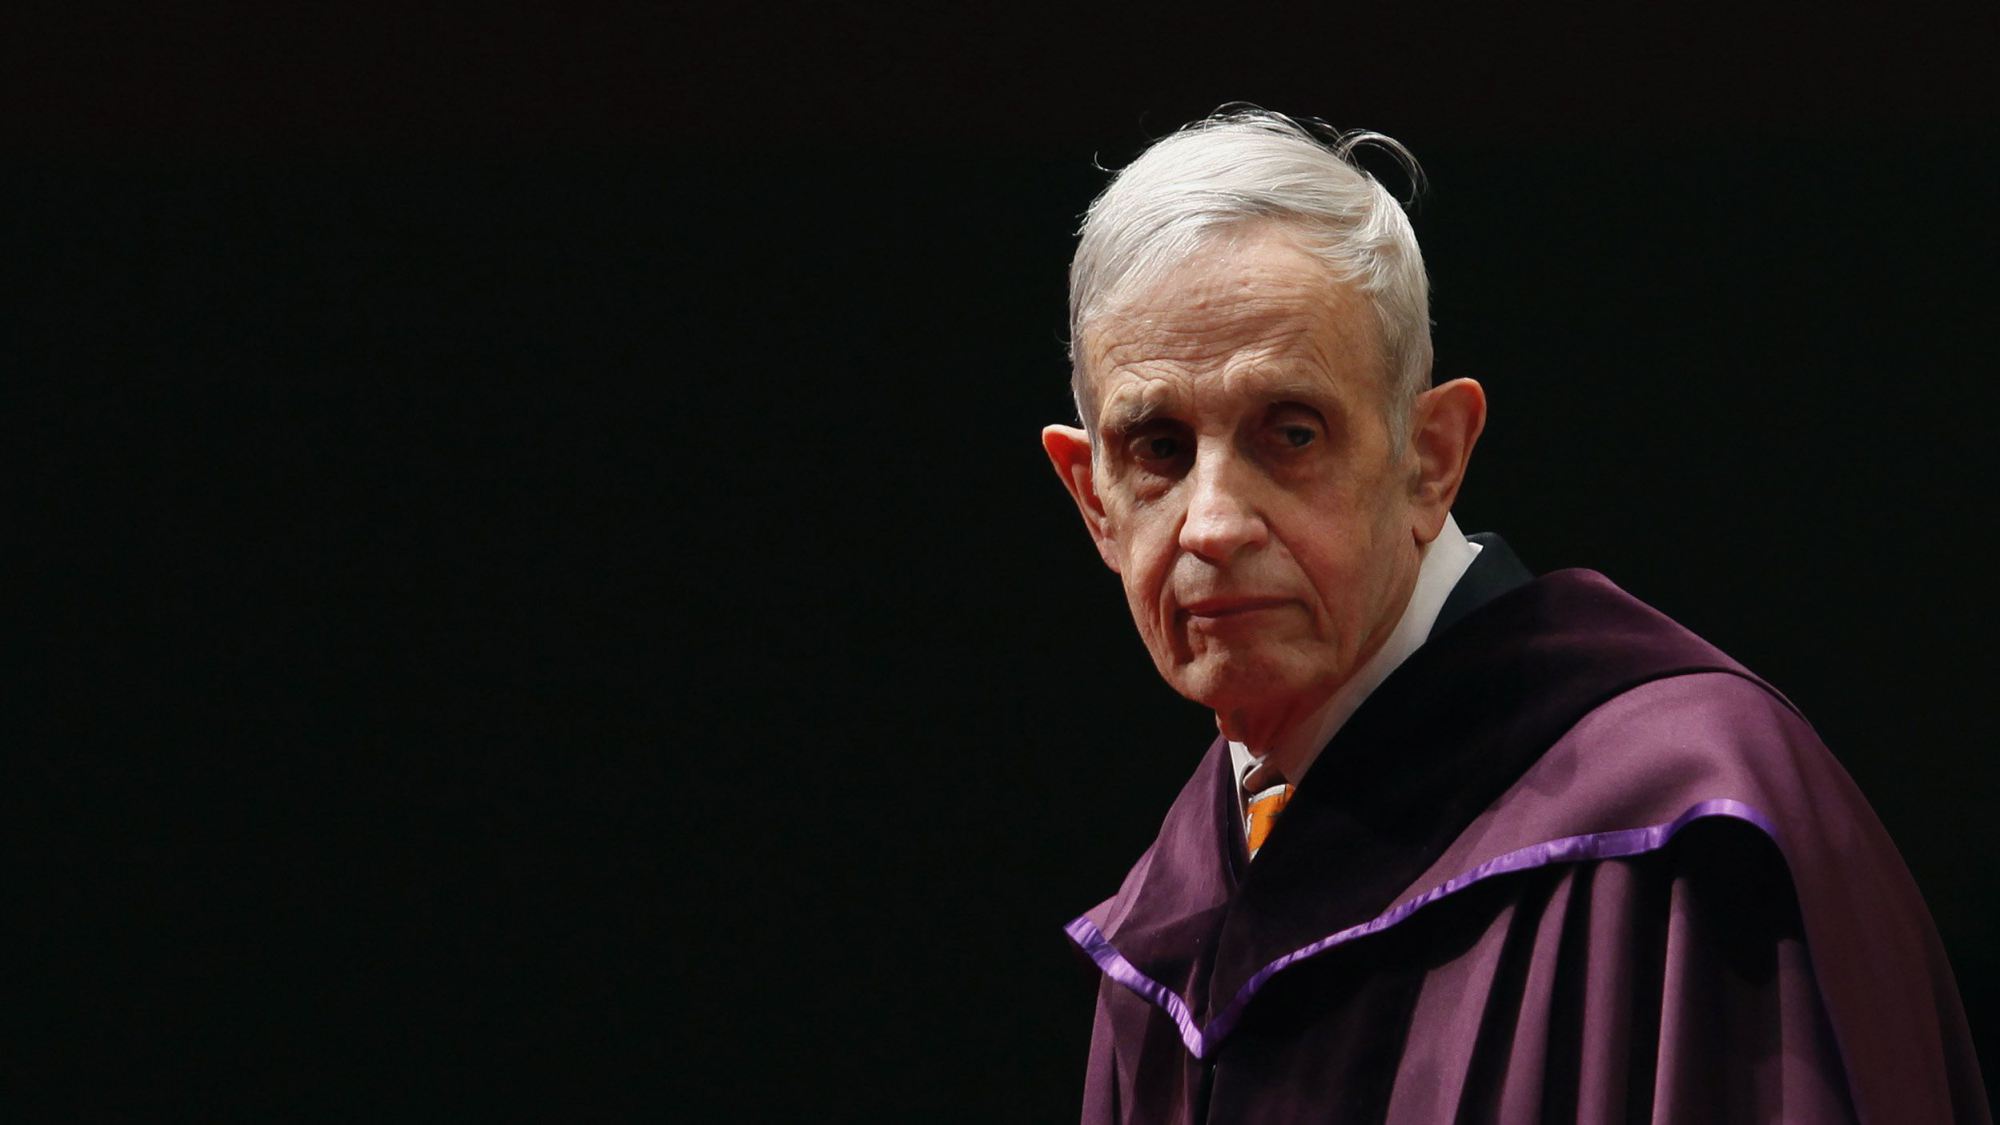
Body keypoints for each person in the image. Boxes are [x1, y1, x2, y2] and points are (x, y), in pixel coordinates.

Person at [1041, 110, 1990, 1124]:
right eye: (1158, 449)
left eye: (1292, 433)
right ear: (1093, 499)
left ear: (1431, 459)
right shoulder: (1169, 932)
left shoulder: (1683, 832)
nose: (1214, 523)